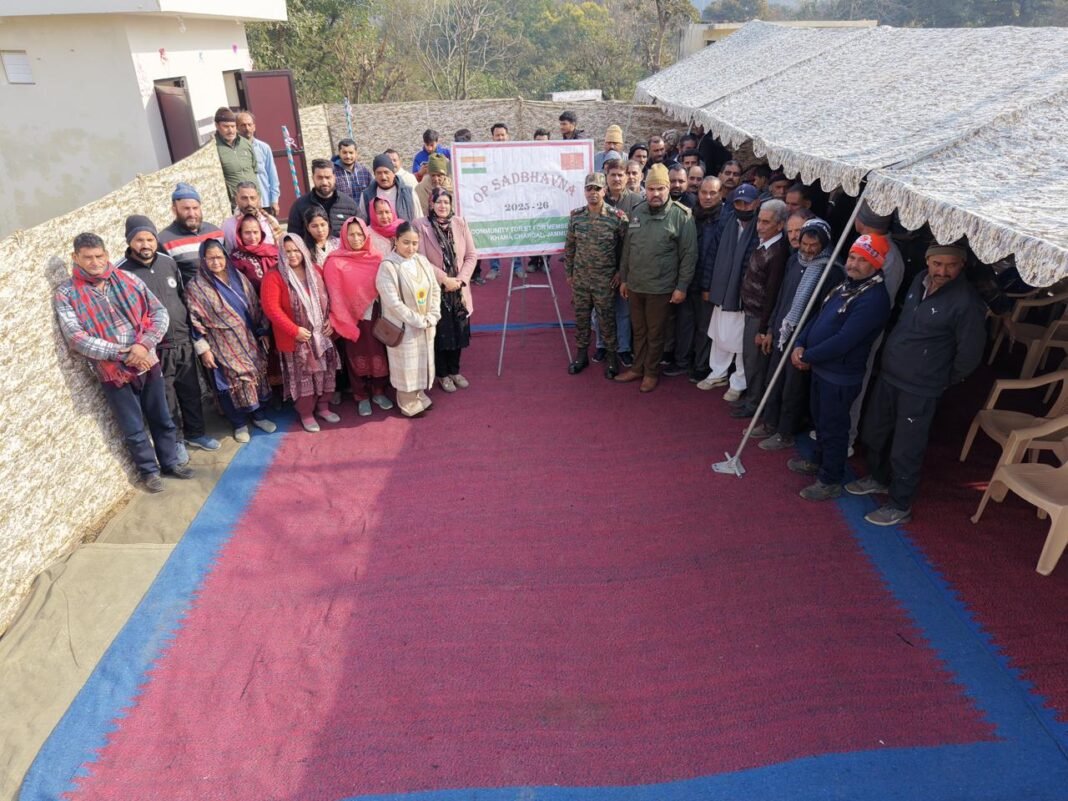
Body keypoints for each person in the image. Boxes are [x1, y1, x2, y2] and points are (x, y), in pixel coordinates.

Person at [848, 241, 987, 526]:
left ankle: (900, 505)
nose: (943, 271)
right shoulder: (917, 281)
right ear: (927, 261)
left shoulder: (966, 302)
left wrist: (937, 377)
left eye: (950, 265)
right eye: (937, 263)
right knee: (876, 432)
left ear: (962, 265)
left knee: (906, 448)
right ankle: (879, 478)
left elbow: (970, 354)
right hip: (891, 374)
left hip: (921, 386)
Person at [54, 232, 191, 492]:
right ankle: (149, 472)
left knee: (161, 416)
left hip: (147, 361)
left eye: (99, 256)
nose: (95, 262)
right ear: (76, 258)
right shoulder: (67, 293)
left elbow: (158, 312)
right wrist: (124, 353)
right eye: (88, 258)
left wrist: (143, 345)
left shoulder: (127, 278)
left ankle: (171, 462)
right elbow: (76, 338)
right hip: (113, 370)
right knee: (133, 426)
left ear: (106, 254)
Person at [789, 234, 893, 501]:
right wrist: (801, 342)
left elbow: (845, 340)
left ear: (876, 265)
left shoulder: (874, 299)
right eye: (852, 257)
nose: (854, 264)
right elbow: (819, 317)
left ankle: (830, 479)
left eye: (863, 260)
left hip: (840, 375)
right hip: (821, 369)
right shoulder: (845, 286)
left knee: (834, 427)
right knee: (820, 421)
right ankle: (817, 461)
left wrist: (808, 355)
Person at [116, 215, 220, 463]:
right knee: (167, 398)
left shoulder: (168, 263)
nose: (145, 244)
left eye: (150, 239)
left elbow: (183, 297)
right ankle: (177, 441)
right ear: (130, 242)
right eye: (139, 239)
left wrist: (194, 337)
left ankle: (197, 433)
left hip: (183, 340)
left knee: (191, 391)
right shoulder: (121, 272)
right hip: (155, 348)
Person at [756, 217, 838, 452]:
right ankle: (769, 422)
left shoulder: (831, 271)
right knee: (773, 379)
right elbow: (781, 297)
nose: (809, 249)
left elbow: (824, 313)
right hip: (782, 331)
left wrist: (805, 343)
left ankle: (785, 432)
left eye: (815, 245)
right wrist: (771, 328)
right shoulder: (794, 261)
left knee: (793, 388)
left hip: (804, 339)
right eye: (805, 244)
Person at [614, 164, 697, 393]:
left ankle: (651, 372)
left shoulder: (682, 216)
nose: (655, 194)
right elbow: (628, 249)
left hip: (661, 288)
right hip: (636, 285)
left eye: (660, 188)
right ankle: (637, 368)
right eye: (651, 189)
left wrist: (682, 287)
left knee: (656, 332)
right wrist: (625, 279)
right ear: (645, 190)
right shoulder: (638, 212)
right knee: (638, 331)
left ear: (668, 188)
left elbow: (689, 255)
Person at [185, 239, 276, 444]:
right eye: (210, 258)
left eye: (219, 257)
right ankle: (239, 423)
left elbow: (256, 304)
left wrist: (263, 330)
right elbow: (194, 320)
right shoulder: (195, 287)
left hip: (248, 337)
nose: (216, 262)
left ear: (225, 257)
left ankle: (259, 416)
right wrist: (204, 349)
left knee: (255, 377)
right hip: (220, 343)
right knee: (230, 384)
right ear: (203, 260)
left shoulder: (239, 278)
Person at [261, 233, 342, 433]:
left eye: (296, 250)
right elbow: (271, 308)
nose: (292, 255)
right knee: (303, 377)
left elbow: (331, 296)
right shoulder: (275, 276)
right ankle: (306, 413)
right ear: (280, 253)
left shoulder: (315, 270)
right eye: (287, 251)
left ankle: (323, 407)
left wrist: (331, 320)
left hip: (321, 335)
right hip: (296, 340)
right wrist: (294, 330)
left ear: (303, 250)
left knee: (325, 372)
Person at [322, 217, 394, 417]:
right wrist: (345, 313)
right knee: (355, 358)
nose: (356, 238)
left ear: (366, 235)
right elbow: (333, 293)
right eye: (351, 234)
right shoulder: (334, 261)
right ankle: (361, 396)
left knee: (379, 354)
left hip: (375, 316)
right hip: (350, 319)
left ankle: (379, 392)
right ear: (343, 236)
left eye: (360, 234)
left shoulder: (377, 258)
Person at [697, 183, 760, 400]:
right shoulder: (727, 222)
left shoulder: (760, 227)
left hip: (745, 296)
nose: (743, 207)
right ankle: (718, 373)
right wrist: (707, 286)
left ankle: (738, 381)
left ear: (756, 203)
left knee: (741, 341)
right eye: (738, 203)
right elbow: (713, 255)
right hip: (722, 291)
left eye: (747, 203)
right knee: (719, 335)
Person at [413, 188, 478, 391]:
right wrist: (444, 279)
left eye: (446, 202)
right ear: (431, 204)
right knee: (440, 332)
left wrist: (460, 279)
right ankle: (442, 374)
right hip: (435, 289)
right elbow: (419, 258)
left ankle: (455, 370)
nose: (443, 206)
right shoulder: (420, 225)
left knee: (459, 330)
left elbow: (471, 255)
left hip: (459, 289)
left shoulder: (460, 223)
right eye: (439, 202)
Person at [565, 172, 628, 379]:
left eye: (597, 189)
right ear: (584, 191)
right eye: (589, 188)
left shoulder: (616, 218)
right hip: (581, 280)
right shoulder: (576, 216)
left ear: (605, 191)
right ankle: (581, 356)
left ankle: (611, 359)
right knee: (581, 320)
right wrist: (570, 274)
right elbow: (570, 247)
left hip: (605, 281)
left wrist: (621, 272)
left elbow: (626, 249)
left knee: (607, 321)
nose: (593, 193)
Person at [376, 223, 442, 417]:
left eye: (415, 243)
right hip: (404, 326)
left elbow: (435, 289)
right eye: (406, 242)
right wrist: (417, 320)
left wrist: (433, 313)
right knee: (406, 365)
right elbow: (393, 303)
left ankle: (420, 395)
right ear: (395, 240)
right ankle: (407, 402)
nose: (411, 248)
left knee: (423, 360)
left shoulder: (421, 261)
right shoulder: (387, 266)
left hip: (426, 322)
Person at [733, 198, 791, 418]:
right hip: (751, 311)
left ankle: (754, 403)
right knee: (749, 358)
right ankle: (751, 398)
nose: (760, 226)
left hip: (760, 316)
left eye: (766, 222)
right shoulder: (763, 243)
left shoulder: (778, 252)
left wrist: (764, 328)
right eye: (759, 221)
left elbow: (772, 293)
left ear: (779, 225)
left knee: (755, 361)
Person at [669, 175, 722, 382]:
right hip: (687, 281)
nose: (707, 197)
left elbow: (713, 256)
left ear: (720, 195)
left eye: (712, 193)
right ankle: (682, 362)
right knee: (684, 324)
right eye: (703, 192)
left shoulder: (724, 219)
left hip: (707, 284)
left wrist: (708, 285)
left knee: (703, 327)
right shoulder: (691, 215)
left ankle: (700, 365)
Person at [158, 183, 224, 285]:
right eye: (186, 209)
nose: (192, 214)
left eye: (195, 208)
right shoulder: (164, 241)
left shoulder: (216, 232)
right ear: (174, 210)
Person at [288, 159, 359, 240]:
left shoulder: (349, 204)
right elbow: (294, 238)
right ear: (313, 178)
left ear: (334, 177)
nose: (324, 182)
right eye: (320, 178)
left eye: (328, 177)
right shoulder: (299, 206)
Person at [236, 111, 280, 216]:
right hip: (244, 205)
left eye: (249, 125)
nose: (247, 128)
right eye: (243, 125)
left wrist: (274, 200)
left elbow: (272, 175)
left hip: (264, 202)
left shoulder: (264, 148)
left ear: (254, 127)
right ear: (237, 127)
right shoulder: (234, 151)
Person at [212, 107, 257, 208]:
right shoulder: (214, 148)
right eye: (226, 126)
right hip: (235, 205)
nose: (230, 130)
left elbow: (255, 169)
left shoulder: (246, 143)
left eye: (233, 126)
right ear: (217, 126)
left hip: (255, 201)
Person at [362, 153, 421, 226]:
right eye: (379, 173)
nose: (383, 177)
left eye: (386, 172)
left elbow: (419, 220)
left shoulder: (409, 193)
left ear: (393, 173)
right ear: (374, 175)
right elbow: (363, 223)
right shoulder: (367, 195)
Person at [229, 213, 280, 291]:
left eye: (255, 232)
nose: (252, 237)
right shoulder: (235, 258)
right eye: (247, 233)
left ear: (261, 232)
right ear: (240, 234)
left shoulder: (273, 250)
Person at [222, 181, 277, 251]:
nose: (249, 203)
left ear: (258, 199)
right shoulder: (228, 226)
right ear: (236, 200)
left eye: (252, 198)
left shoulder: (270, 222)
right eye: (244, 198)